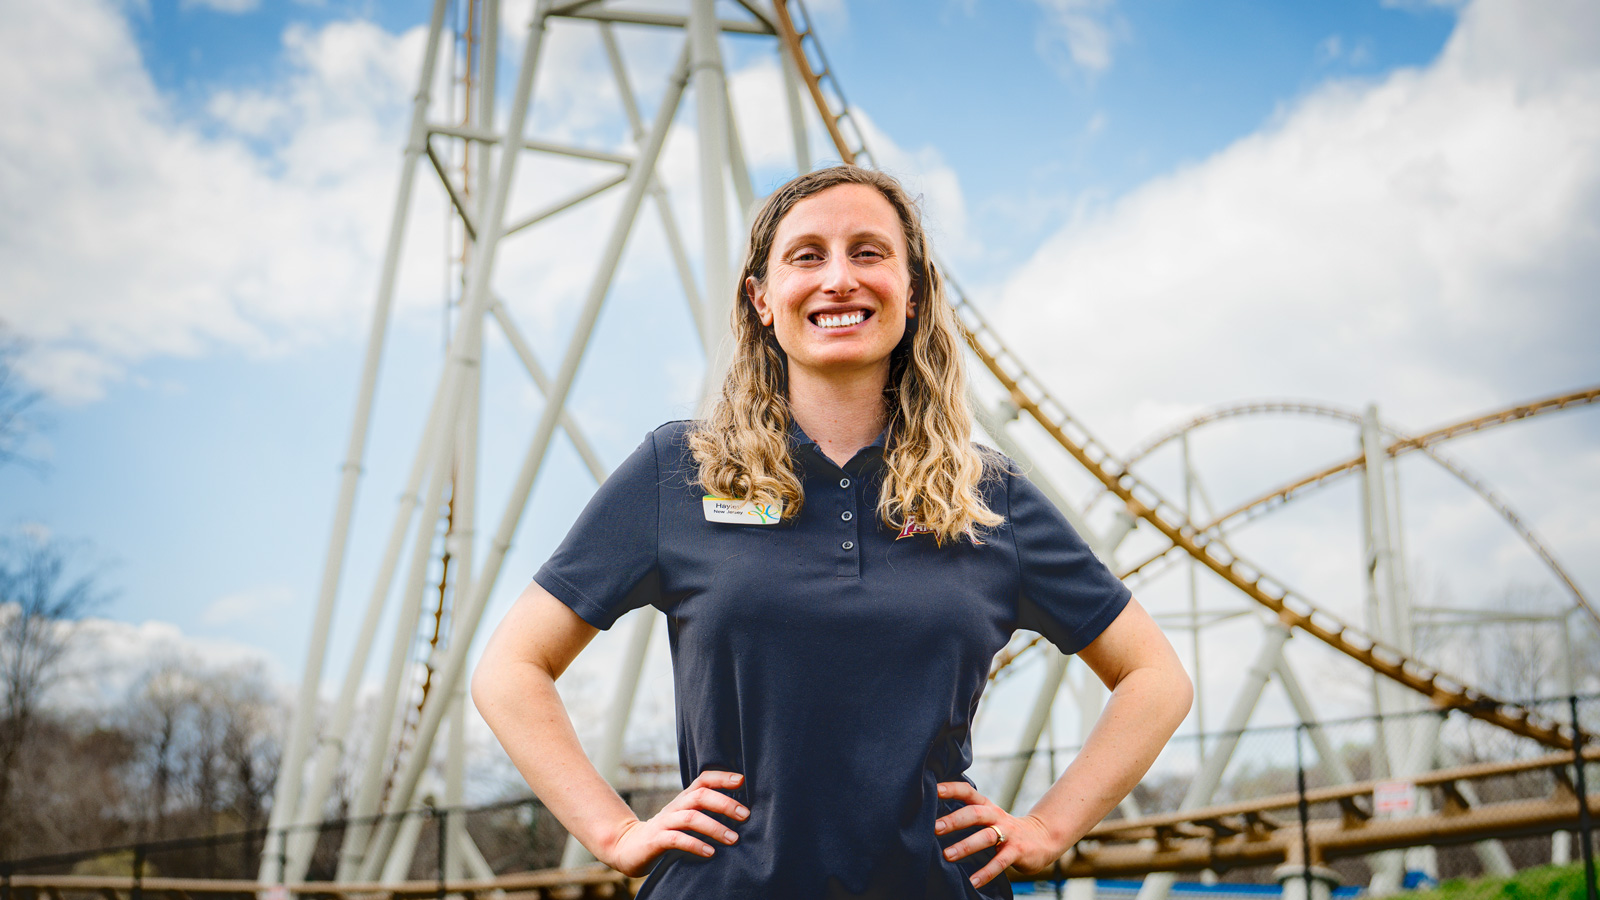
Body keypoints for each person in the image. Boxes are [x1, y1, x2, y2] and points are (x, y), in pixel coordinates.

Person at [471, 165, 1193, 899]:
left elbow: (1155, 678)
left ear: (912, 295)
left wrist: (1048, 827)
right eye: (807, 255)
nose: (839, 279)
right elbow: (511, 670)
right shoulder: (679, 472)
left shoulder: (988, 498)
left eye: (869, 252)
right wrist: (615, 832)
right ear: (761, 299)